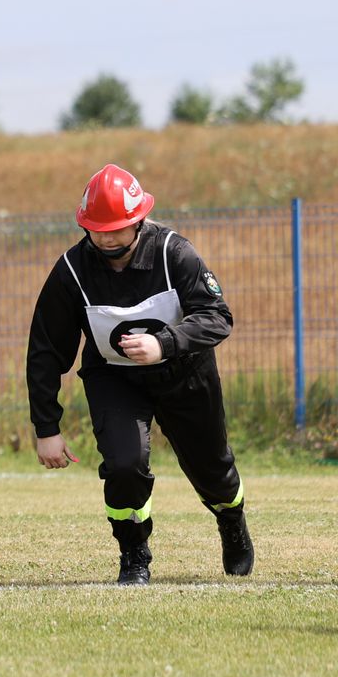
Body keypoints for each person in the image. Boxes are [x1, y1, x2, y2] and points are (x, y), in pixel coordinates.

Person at [25, 164, 252, 585]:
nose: (107, 238)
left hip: (185, 374)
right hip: (115, 380)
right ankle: (134, 554)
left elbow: (216, 317)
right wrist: (46, 427)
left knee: (212, 469)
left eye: (116, 229)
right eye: (97, 230)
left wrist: (165, 343)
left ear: (139, 220)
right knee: (124, 465)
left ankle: (231, 519)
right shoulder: (71, 271)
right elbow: (45, 351)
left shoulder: (174, 254)